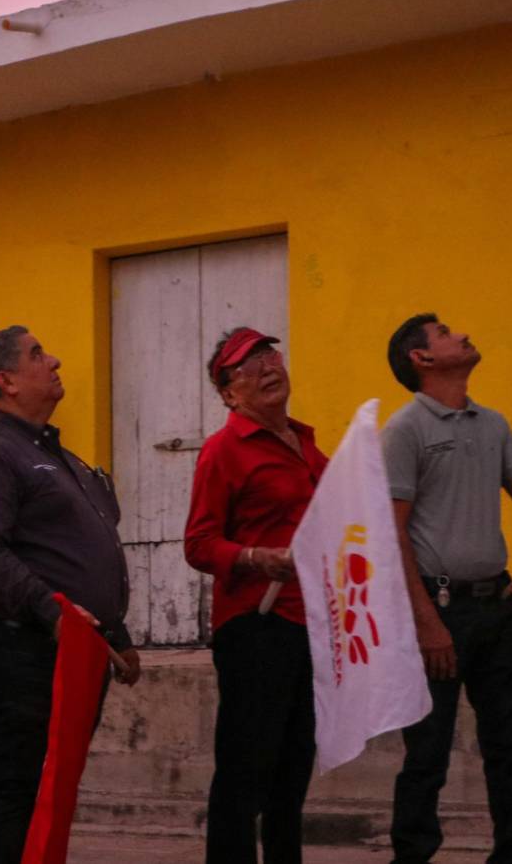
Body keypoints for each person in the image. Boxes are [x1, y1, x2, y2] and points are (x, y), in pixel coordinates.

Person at [383, 314, 512, 864]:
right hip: (437, 609)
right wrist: (426, 622)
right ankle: (413, 855)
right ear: (421, 359)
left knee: (509, 747)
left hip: (498, 605)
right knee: (427, 752)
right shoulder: (405, 431)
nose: (462, 333)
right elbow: (390, 532)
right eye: (445, 331)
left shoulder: (494, 424)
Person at [0, 326, 140, 864]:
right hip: (24, 654)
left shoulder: (53, 453)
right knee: (19, 797)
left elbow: (75, 551)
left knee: (51, 796)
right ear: (5, 381)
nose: (53, 360)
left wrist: (115, 634)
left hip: (74, 650)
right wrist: (48, 611)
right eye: (37, 355)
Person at [182, 328, 325, 864]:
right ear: (228, 393)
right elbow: (198, 543)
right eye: (247, 364)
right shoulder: (224, 451)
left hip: (308, 625)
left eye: (269, 354)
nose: (266, 366)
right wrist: (253, 557)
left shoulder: (308, 444)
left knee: (291, 774)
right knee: (245, 773)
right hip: (254, 627)